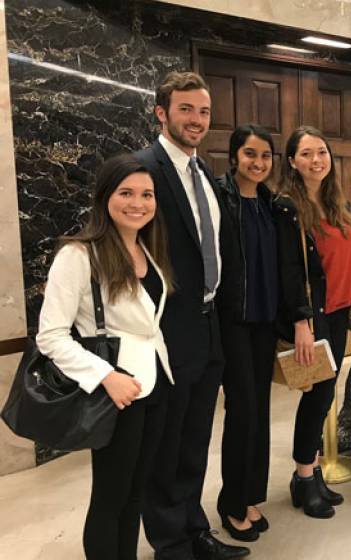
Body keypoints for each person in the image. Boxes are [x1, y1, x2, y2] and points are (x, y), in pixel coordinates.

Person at [35, 154, 174, 560]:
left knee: (136, 494)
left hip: (154, 384)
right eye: (126, 193)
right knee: (111, 497)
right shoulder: (79, 255)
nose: (138, 203)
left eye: (146, 195)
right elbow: (51, 336)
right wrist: (105, 375)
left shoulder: (147, 250)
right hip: (115, 392)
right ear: (104, 197)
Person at [135, 72, 248, 560]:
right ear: (162, 113)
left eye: (203, 111)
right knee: (167, 440)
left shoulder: (204, 173)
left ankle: (194, 527)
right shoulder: (144, 170)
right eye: (186, 109)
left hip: (208, 325)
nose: (196, 120)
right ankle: (171, 543)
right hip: (166, 329)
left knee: (196, 435)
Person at [276, 125, 351, 518]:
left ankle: (311, 473)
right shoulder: (288, 208)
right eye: (306, 153)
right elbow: (290, 271)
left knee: (325, 395)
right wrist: (301, 322)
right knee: (318, 397)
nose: (316, 160)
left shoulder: (336, 201)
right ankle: (304, 477)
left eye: (322, 152)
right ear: (292, 161)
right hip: (317, 315)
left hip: (340, 310)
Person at [215, 125, 278, 541]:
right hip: (232, 320)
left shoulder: (273, 204)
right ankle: (232, 503)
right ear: (235, 155)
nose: (258, 163)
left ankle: (252, 495)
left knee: (260, 411)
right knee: (242, 412)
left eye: (266, 156)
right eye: (250, 154)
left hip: (266, 321)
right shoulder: (221, 199)